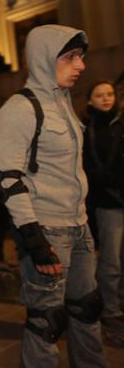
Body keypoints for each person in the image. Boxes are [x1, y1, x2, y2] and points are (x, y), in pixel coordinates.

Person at [0, 25, 108, 367]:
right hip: (48, 230)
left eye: (81, 57)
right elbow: (8, 178)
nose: (81, 66)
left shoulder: (63, 103)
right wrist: (33, 238)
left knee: (87, 311)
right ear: (45, 59)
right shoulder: (21, 107)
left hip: (79, 227)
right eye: (71, 57)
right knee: (46, 322)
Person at [82, 80, 124, 347]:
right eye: (99, 95)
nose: (106, 98)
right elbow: (88, 168)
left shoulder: (121, 123)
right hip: (108, 203)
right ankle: (112, 312)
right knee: (111, 262)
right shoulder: (87, 130)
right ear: (90, 101)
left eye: (109, 94)